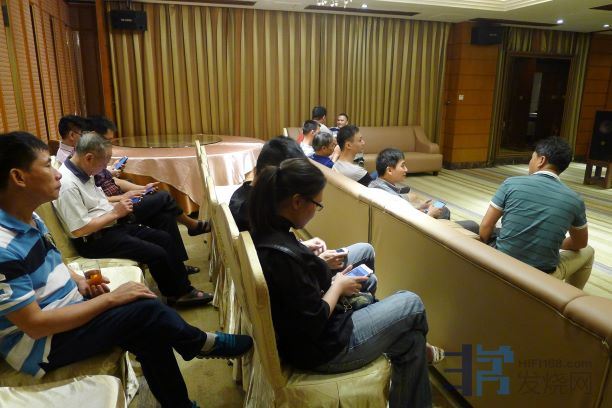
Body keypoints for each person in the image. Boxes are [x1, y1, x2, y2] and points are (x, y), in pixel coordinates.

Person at [0, 131, 253, 408]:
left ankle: (181, 400)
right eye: (47, 165)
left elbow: (54, 258)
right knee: (146, 309)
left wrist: (78, 280)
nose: (57, 173)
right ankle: (198, 343)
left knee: (148, 327)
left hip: (66, 309)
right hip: (41, 346)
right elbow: (35, 325)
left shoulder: (29, 218)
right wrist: (110, 299)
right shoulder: (3, 248)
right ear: (19, 177)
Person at [249, 158, 439, 407]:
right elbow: (313, 320)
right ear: (297, 202)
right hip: (323, 349)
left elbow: (298, 291)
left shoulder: (268, 230)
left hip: (311, 339)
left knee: (412, 341)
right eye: (317, 204)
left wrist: (315, 260)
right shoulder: (282, 257)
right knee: (411, 303)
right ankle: (417, 346)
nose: (316, 211)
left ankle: (417, 352)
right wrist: (337, 286)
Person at [53, 133, 212, 306]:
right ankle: (178, 294)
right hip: (94, 241)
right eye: (103, 163)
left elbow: (97, 204)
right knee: (156, 252)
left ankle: (182, 289)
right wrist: (115, 213)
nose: (105, 168)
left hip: (110, 226)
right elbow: (79, 229)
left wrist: (119, 205)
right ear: (89, 158)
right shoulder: (68, 184)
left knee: (164, 237)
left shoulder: (84, 171)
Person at [229, 137, 377, 294]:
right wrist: (320, 264)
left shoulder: (246, 198)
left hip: (294, 272)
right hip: (298, 284)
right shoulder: (257, 215)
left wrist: (304, 249)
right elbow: (280, 269)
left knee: (365, 250)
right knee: (370, 276)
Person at [479, 137, 595, 289]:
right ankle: (569, 296)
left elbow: (485, 227)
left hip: (503, 263)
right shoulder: (575, 200)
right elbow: (580, 243)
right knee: (588, 251)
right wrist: (551, 242)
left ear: (541, 160)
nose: (530, 162)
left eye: (532, 157)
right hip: (542, 275)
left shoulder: (511, 183)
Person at [89, 116, 209, 239]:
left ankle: (177, 250)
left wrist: (141, 188)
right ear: (92, 135)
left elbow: (113, 181)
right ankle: (191, 224)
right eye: (106, 140)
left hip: (122, 198)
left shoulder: (97, 155)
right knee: (164, 196)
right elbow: (97, 200)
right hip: (115, 208)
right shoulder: (87, 161)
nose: (109, 145)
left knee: (165, 217)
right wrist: (125, 197)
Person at [369, 148, 480, 232]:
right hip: (415, 231)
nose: (406, 169)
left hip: (405, 223)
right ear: (389, 170)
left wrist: (420, 207)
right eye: (402, 166)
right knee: (473, 225)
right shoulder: (391, 198)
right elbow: (409, 227)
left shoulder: (375, 185)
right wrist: (429, 214)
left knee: (443, 210)